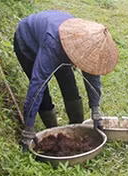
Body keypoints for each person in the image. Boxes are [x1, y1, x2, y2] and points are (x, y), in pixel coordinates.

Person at [14, 10, 119, 151]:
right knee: (43, 91)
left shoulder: (88, 44)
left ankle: (75, 126)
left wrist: (95, 109)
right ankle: (52, 129)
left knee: (69, 86)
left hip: (58, 38)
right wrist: (28, 128)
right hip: (27, 41)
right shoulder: (52, 44)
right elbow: (37, 85)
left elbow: (92, 78)